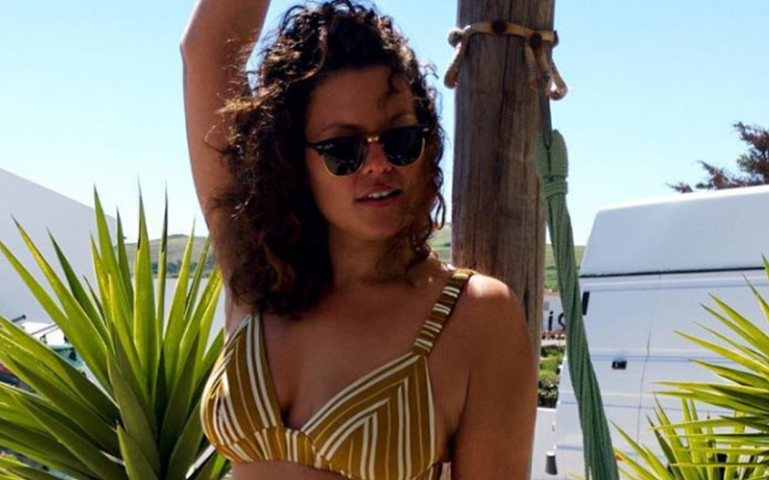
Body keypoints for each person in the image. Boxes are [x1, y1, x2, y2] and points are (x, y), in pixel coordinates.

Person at [181, 1, 537, 478]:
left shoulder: (476, 315)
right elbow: (206, 49)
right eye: (342, 149)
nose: (377, 164)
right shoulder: (259, 268)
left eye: (400, 139)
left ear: (428, 142)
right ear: (292, 159)